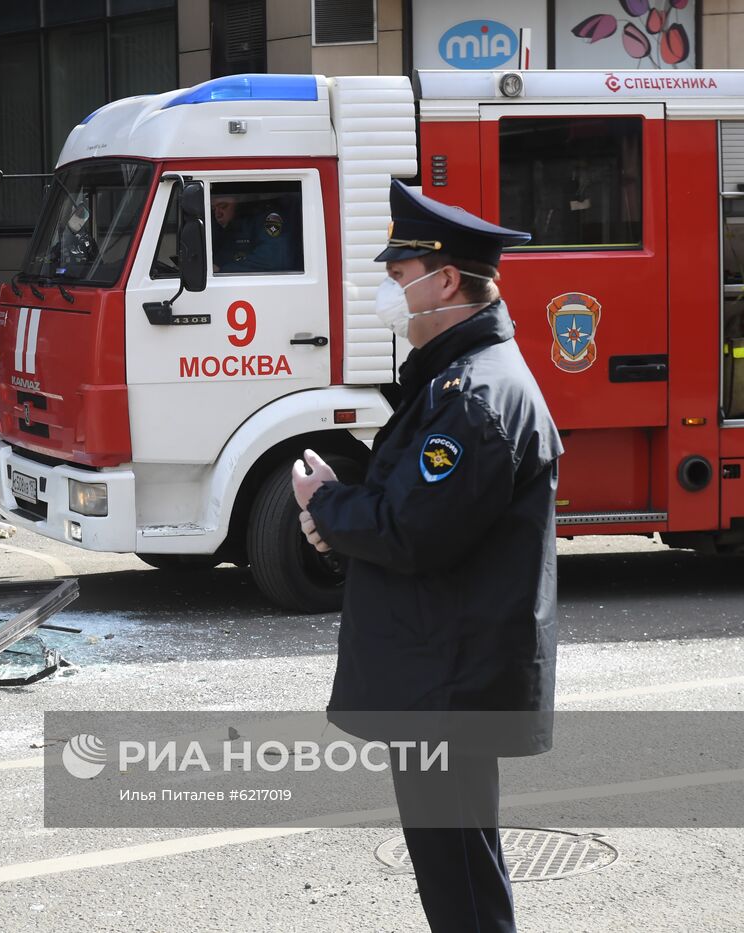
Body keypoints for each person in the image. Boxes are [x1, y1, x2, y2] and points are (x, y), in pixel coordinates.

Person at [289, 180, 563, 932]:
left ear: (445, 280)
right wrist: (342, 520)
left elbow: (411, 530)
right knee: (461, 869)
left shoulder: (472, 395)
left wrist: (322, 501)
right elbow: (415, 511)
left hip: (448, 684)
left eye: (400, 275)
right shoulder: (456, 378)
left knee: (460, 881)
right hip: (447, 672)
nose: (390, 291)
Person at [211, 192, 299, 273]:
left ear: (239, 203)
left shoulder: (266, 219)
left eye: (223, 206)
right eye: (214, 209)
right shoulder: (223, 230)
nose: (218, 214)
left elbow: (274, 259)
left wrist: (223, 270)